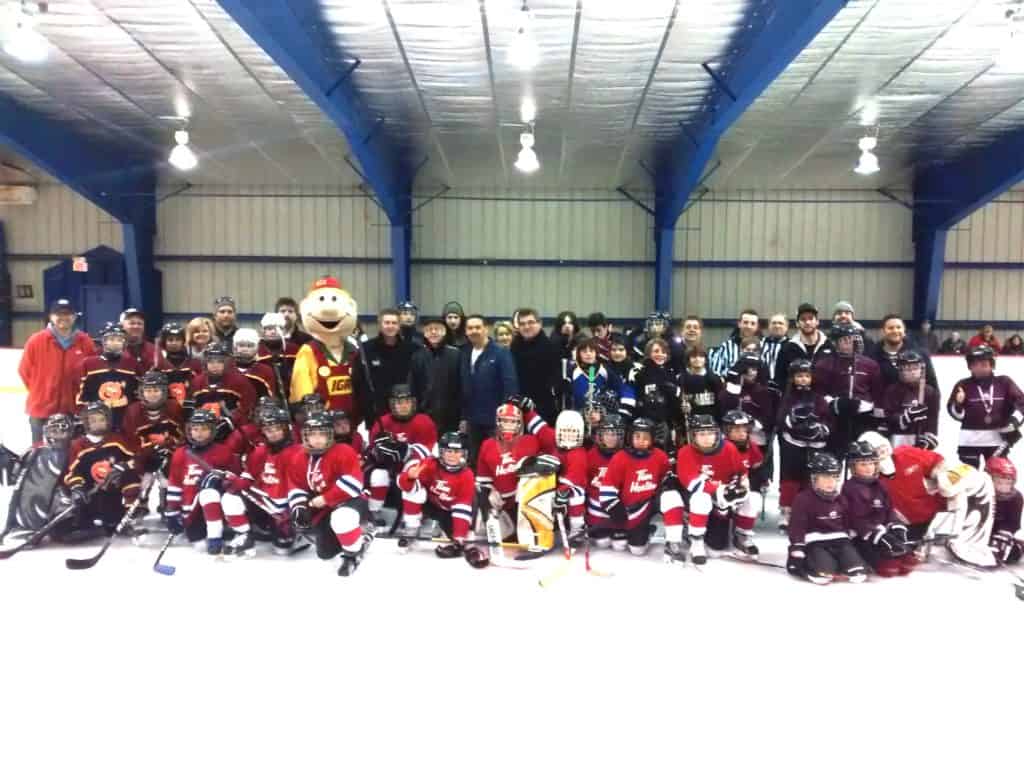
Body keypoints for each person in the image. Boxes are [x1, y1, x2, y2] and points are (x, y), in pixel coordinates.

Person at [860, 431, 998, 567]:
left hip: (944, 510)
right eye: (877, 449)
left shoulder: (906, 453)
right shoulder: (867, 484)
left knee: (971, 481)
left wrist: (945, 477)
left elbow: (941, 463)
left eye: (883, 446)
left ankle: (973, 544)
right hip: (911, 525)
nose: (882, 451)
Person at [285, 413, 372, 576]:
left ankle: (353, 553)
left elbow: (353, 484)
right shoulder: (299, 457)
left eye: (322, 434)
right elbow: (296, 485)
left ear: (330, 435)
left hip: (351, 501)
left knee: (342, 518)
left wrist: (325, 498)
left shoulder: (344, 451)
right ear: (305, 436)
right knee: (325, 553)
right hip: (324, 508)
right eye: (312, 434)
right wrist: (298, 506)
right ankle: (354, 535)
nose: (317, 439)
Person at [597, 418, 682, 560]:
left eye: (646, 437)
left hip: (648, 505)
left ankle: (669, 538)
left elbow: (666, 478)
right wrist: (615, 508)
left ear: (653, 438)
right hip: (627, 508)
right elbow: (607, 487)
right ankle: (633, 529)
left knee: (638, 550)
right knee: (622, 547)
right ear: (630, 437)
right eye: (637, 436)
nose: (641, 440)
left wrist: (669, 481)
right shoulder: (620, 457)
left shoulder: (659, 456)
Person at [674, 414, 753, 564]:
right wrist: (722, 490)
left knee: (716, 549)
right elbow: (692, 485)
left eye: (710, 433)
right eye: (701, 434)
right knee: (701, 498)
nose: (706, 438)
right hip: (697, 498)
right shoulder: (685, 452)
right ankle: (696, 541)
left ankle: (742, 536)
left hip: (722, 500)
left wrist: (741, 485)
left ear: (717, 433)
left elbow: (741, 472)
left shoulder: (729, 448)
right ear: (693, 436)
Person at [225, 404, 301, 554]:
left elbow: (301, 485)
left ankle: (293, 531)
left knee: (282, 549)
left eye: (277, 429)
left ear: (286, 429)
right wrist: (237, 483)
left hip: (288, 505)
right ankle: (244, 535)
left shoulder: (297, 452)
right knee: (229, 497)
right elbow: (249, 475)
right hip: (265, 501)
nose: (273, 434)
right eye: (268, 430)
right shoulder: (260, 451)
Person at [18, 298, 96, 445]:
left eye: (68, 314)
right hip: (41, 409)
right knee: (39, 453)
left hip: (73, 410)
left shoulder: (85, 342)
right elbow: (24, 370)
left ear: (74, 317)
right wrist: (40, 391)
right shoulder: (36, 340)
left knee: (70, 455)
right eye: (58, 314)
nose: (63, 318)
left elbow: (92, 374)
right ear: (51, 317)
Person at [62, 401, 142, 539]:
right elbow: (72, 471)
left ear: (108, 421)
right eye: (93, 420)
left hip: (111, 488)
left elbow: (135, 459)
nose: (97, 423)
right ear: (86, 422)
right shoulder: (77, 445)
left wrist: (123, 466)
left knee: (130, 479)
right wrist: (77, 487)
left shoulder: (116, 441)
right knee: (82, 509)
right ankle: (85, 524)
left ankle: (125, 520)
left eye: (101, 419)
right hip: (89, 490)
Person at [786, 452, 868, 585]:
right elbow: (797, 526)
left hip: (840, 541)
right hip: (815, 543)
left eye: (835, 477)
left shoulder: (841, 498)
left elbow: (848, 520)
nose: (831, 482)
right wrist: (797, 547)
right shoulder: (803, 499)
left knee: (857, 571)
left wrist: (854, 537)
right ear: (814, 478)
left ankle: (839, 561)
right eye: (825, 477)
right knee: (823, 574)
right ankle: (813, 564)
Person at [396, 431, 477, 558]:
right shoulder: (430, 464)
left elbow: (462, 506)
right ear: (441, 452)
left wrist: (459, 536)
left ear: (464, 454)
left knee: (463, 538)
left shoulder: (467, 474)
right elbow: (403, 486)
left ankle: (455, 532)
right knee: (415, 490)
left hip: (450, 510)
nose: (452, 455)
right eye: (448, 451)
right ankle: (411, 528)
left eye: (457, 452)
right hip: (431, 504)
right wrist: (409, 477)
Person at [365, 384, 438, 523]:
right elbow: (373, 449)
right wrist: (380, 453)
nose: (403, 406)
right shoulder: (383, 422)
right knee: (378, 475)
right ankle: (374, 512)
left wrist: (406, 452)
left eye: (407, 402)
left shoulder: (424, 421)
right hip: (390, 466)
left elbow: (426, 451)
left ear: (413, 403)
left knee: (412, 480)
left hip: (416, 465)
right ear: (392, 404)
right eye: (399, 402)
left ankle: (412, 520)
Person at [842, 441, 915, 577]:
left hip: (882, 533)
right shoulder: (849, 489)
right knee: (889, 569)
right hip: (861, 537)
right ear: (853, 466)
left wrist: (896, 526)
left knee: (908, 561)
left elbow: (889, 510)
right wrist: (878, 535)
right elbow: (856, 520)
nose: (869, 468)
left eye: (871, 463)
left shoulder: (880, 485)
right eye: (863, 464)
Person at [947, 345, 1024, 468]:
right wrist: (958, 404)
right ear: (969, 366)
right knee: (969, 479)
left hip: (998, 439)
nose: (979, 368)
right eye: (974, 365)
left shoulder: (1004, 382)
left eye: (983, 364)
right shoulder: (963, 385)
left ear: (992, 365)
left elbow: (1022, 403)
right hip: (969, 440)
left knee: (998, 476)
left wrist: (1014, 421)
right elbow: (956, 414)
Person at [776, 360, 831, 531]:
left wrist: (819, 429)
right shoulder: (788, 397)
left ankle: (810, 512)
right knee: (790, 477)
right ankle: (787, 511)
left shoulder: (819, 398)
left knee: (811, 477)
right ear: (792, 378)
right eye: (799, 376)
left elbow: (828, 419)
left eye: (807, 376)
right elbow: (780, 419)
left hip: (815, 444)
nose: (803, 379)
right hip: (793, 443)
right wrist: (793, 424)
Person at [354, 307, 431, 428]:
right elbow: (358, 381)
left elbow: (422, 381)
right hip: (376, 413)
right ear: (380, 325)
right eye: (387, 322)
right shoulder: (366, 349)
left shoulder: (413, 349)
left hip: (405, 410)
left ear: (399, 325)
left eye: (394, 323)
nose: (390, 326)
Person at [813, 322, 884, 453]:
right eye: (845, 339)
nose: (851, 343)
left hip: (863, 420)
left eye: (854, 339)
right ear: (835, 343)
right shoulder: (823, 365)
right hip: (835, 421)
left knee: (862, 457)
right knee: (835, 456)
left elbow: (878, 395)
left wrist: (870, 411)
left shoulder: (870, 365)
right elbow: (818, 393)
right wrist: (835, 403)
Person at [459, 315, 519, 461]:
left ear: (486, 329)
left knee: (496, 460)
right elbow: (464, 388)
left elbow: (510, 385)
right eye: (470, 328)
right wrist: (464, 417)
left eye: (478, 327)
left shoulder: (501, 353)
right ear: (466, 332)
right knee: (474, 460)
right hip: (473, 421)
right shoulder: (464, 353)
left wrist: (505, 418)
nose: (474, 331)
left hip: (495, 422)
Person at [120, 370, 185, 495]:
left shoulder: (174, 407)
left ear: (164, 391)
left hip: (168, 458)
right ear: (141, 392)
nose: (152, 394)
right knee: (131, 477)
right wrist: (146, 452)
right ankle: (136, 504)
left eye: (156, 390)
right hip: (142, 460)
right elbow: (129, 441)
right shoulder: (132, 411)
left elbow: (181, 437)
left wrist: (168, 444)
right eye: (148, 390)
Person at [76, 322, 139, 431]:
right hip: (96, 420)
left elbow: (136, 393)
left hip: (123, 419)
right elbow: (81, 395)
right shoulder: (88, 364)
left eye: (119, 340)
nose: (115, 343)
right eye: (111, 339)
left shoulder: (132, 364)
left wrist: (127, 402)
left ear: (124, 343)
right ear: (103, 341)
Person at [189, 341, 258, 433]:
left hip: (234, 430)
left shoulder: (239, 381)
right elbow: (190, 410)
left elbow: (248, 408)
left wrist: (229, 422)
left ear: (227, 362)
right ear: (205, 362)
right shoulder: (197, 382)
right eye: (211, 361)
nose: (215, 365)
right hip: (202, 430)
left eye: (220, 362)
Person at [510, 308, 561, 426]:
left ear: (540, 323)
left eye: (530, 322)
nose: (526, 327)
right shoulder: (514, 346)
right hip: (519, 406)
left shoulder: (551, 347)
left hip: (543, 409)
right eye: (522, 324)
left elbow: (556, 379)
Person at [630, 338, 683, 452]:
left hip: (666, 423)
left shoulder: (671, 374)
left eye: (663, 352)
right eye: (656, 351)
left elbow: (677, 400)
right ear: (649, 353)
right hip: (645, 422)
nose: (660, 354)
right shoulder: (640, 373)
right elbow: (637, 397)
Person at [568, 338, 634, 427]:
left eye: (591, 351)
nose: (588, 354)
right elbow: (565, 394)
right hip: (579, 415)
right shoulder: (572, 371)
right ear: (578, 354)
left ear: (596, 353)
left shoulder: (604, 369)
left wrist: (624, 409)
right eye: (584, 351)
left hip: (601, 416)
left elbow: (622, 387)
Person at [882, 350, 939, 449]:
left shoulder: (930, 392)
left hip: (920, 439)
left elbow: (933, 421)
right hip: (897, 439)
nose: (912, 372)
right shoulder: (892, 391)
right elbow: (888, 419)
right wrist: (906, 417)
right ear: (899, 370)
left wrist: (928, 440)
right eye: (907, 368)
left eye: (915, 368)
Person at [868, 314, 938, 390]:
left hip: (912, 401)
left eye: (898, 327)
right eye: (890, 328)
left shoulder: (921, 354)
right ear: (883, 331)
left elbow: (933, 387)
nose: (895, 331)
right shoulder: (871, 356)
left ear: (904, 330)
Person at [774, 302, 834, 391]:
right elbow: (779, 379)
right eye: (803, 319)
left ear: (817, 322)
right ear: (797, 323)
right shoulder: (787, 348)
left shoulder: (829, 346)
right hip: (794, 400)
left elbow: (834, 376)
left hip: (822, 400)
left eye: (811, 318)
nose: (807, 322)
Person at [421, 316, 461, 434]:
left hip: (451, 415)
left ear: (444, 332)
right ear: (424, 333)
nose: (433, 332)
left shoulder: (456, 355)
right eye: (430, 329)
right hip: (425, 414)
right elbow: (414, 386)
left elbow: (462, 386)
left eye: (437, 329)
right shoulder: (418, 356)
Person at [585, 414, 624, 534]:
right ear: (600, 436)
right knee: (602, 542)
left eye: (614, 434)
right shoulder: (591, 455)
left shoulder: (624, 456)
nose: (610, 438)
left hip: (617, 508)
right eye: (607, 434)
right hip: (596, 509)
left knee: (620, 544)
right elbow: (585, 483)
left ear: (620, 436)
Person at [256, 312, 300, 400]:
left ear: (283, 330)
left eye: (278, 328)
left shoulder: (293, 350)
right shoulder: (256, 351)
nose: (273, 331)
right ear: (263, 330)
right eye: (269, 328)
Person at [986, 457, 1023, 564]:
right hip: (980, 530)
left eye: (1008, 483)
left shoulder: (1016, 497)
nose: (1004, 487)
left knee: (1011, 554)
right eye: (999, 482)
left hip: (1000, 532)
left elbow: (1013, 522)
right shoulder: (983, 493)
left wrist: (1004, 534)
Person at [156, 322, 200, 407]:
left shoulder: (194, 363)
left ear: (183, 341)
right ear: (164, 342)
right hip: (166, 406)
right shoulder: (159, 365)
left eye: (178, 339)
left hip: (191, 405)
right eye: (170, 340)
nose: (174, 343)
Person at [678, 344, 723, 425]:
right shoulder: (681, 379)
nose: (697, 359)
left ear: (706, 359)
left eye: (701, 356)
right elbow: (677, 402)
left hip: (712, 423)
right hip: (689, 423)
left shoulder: (715, 378)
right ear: (688, 359)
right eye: (694, 357)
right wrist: (681, 408)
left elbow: (720, 403)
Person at [709, 308, 760, 377]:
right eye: (745, 322)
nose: (748, 326)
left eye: (752, 323)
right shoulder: (726, 346)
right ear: (739, 324)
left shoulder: (763, 347)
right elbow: (715, 372)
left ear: (757, 326)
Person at [232, 329, 277, 400]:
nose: (245, 349)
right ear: (235, 347)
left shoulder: (265, 371)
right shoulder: (227, 368)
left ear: (256, 348)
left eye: (249, 346)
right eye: (241, 345)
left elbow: (270, 398)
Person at [118, 307, 157, 372]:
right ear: (121, 326)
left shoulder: (153, 350)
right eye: (132, 323)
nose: (136, 326)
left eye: (139, 323)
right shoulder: (115, 350)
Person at [761, 313, 789, 385]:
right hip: (762, 386)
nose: (777, 326)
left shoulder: (792, 346)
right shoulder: (760, 344)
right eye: (774, 323)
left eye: (780, 323)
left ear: (786, 327)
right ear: (768, 326)